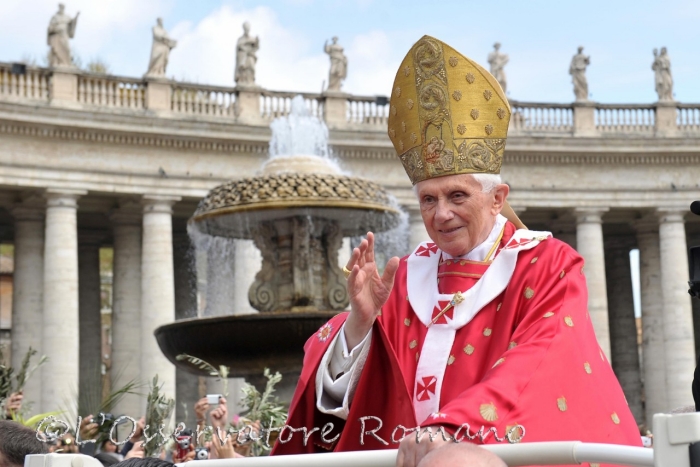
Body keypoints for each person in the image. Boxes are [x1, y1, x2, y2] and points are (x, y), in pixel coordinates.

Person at [272, 35, 642, 466]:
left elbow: (541, 361)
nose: (441, 214)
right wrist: (360, 323)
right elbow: (332, 406)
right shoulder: (404, 279)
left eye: (457, 196)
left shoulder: (547, 264)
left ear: (497, 198)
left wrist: (452, 428)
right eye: (428, 200)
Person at [47, 3, 79, 68]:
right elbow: (50, 27)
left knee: (67, 49)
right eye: (60, 7)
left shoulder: (67, 17)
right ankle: (57, 62)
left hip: (64, 35)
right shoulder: (55, 17)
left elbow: (72, 23)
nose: (61, 9)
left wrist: (76, 18)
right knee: (56, 50)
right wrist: (54, 29)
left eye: (62, 8)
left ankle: (66, 63)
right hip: (57, 35)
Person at [234, 22, 259, 86]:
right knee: (243, 68)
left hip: (250, 56)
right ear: (244, 28)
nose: (247, 29)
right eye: (246, 28)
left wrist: (257, 42)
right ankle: (242, 81)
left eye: (248, 28)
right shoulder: (241, 39)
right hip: (243, 57)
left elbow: (256, 47)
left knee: (251, 68)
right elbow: (239, 46)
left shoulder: (252, 38)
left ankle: (250, 81)